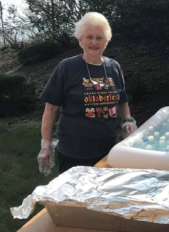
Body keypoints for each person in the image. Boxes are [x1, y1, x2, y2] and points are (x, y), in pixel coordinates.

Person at [38, 12, 135, 174]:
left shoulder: (114, 67)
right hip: (73, 151)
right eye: (89, 37)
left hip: (107, 147)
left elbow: (122, 100)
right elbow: (50, 110)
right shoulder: (66, 67)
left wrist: (127, 120)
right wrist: (45, 145)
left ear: (106, 41)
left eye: (99, 37)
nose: (94, 42)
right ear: (80, 40)